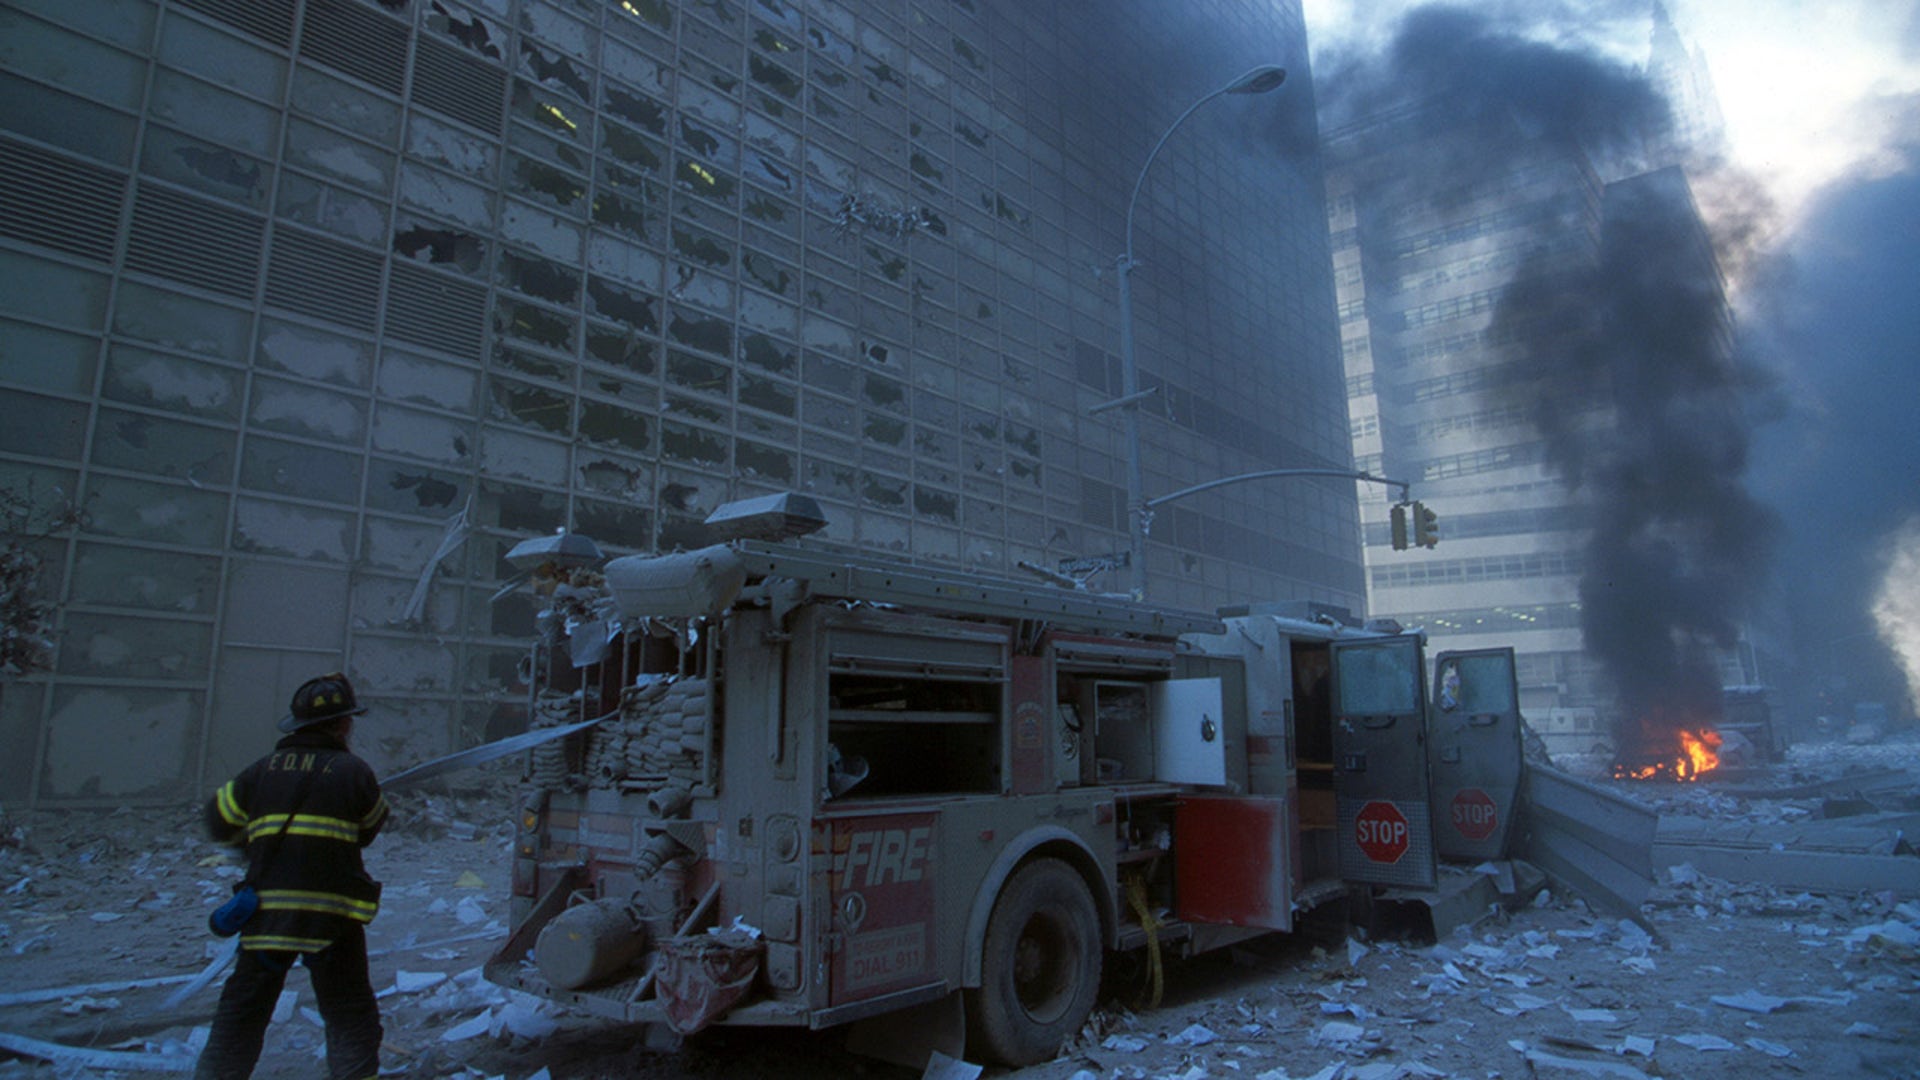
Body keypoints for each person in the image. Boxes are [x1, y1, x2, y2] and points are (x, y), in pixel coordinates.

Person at [194, 672, 390, 1080]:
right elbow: (369, 829)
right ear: (343, 724)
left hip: (267, 917)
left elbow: (218, 820)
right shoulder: (354, 772)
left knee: (240, 1017)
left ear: (297, 724)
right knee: (350, 1016)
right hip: (331, 923)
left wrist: (256, 845)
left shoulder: (259, 772)